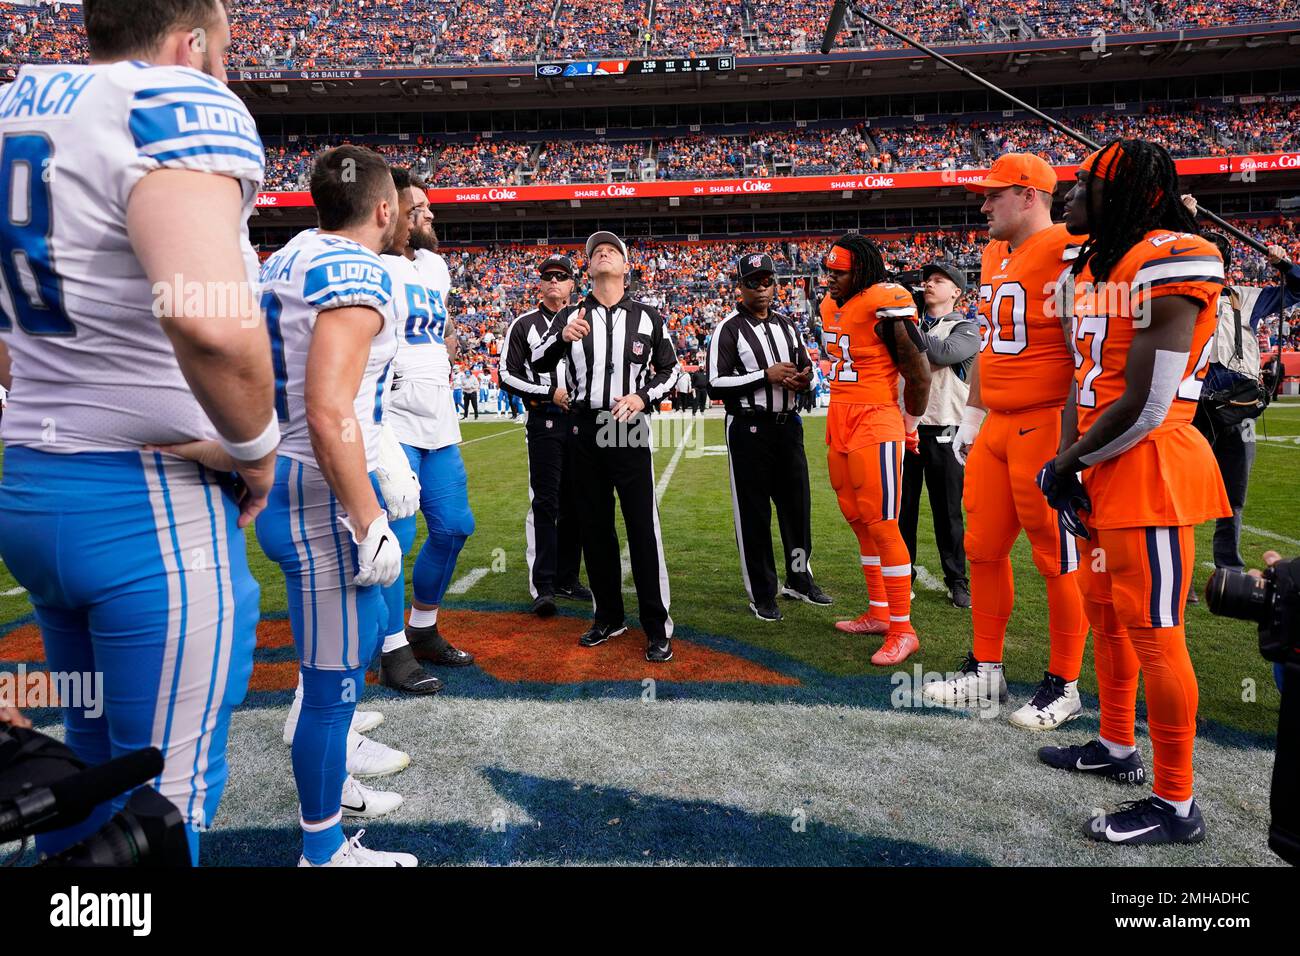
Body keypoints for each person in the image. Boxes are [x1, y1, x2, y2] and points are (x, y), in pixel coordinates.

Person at [0, 0, 274, 865]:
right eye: (224, 52)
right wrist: (257, 451)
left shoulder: (19, 102)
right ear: (190, 44)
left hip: (32, 487)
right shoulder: (171, 99)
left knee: (79, 777)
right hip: (144, 506)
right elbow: (211, 325)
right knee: (160, 813)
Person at [1038, 138, 1230, 845]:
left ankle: (1177, 806)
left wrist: (1069, 464)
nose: (1069, 198)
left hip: (1147, 466)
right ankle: (1117, 745)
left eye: (1083, 185)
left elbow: (1148, 403)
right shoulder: (1098, 267)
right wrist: (1069, 457)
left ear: (1120, 193)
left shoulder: (1171, 257)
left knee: (1154, 631)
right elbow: (1080, 379)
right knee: (1106, 613)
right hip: (1096, 465)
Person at [253, 146, 417, 866]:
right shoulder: (359, 270)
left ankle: (335, 791)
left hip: (289, 477)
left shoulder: (289, 255)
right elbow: (328, 408)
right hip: (320, 487)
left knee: (341, 661)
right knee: (330, 685)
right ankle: (322, 848)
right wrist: (368, 514)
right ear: (383, 210)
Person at [921, 153, 1092, 731]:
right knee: (981, 546)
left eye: (994, 194)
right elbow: (992, 347)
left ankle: (1064, 683)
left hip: (1046, 423)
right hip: (995, 423)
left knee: (1057, 558)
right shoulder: (996, 252)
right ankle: (985, 668)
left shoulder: (1070, 247)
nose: (984, 203)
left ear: (1028, 195)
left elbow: (1080, 352)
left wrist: (1071, 443)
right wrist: (973, 414)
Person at [531, 231, 680, 662]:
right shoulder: (572, 314)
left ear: (626, 268)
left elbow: (670, 372)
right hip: (583, 426)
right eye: (596, 251)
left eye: (612, 250)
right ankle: (609, 616)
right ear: (589, 268)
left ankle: (657, 624)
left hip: (627, 425)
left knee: (640, 527)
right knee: (594, 527)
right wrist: (562, 338)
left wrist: (642, 397)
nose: (603, 253)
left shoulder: (649, 317)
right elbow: (538, 360)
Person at [375, 167, 476, 694]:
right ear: (389, 212)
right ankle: (391, 650)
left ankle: (422, 628)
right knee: (398, 536)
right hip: (392, 417)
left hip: (439, 416)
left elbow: (441, 325)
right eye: (418, 210)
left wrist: (446, 345)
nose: (430, 215)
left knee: (455, 526)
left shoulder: (436, 266)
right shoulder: (371, 264)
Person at [820, 235, 931, 664]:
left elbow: (918, 372)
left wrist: (909, 424)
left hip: (876, 419)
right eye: (828, 270)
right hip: (840, 418)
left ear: (862, 271)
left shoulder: (887, 300)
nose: (830, 279)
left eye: (839, 271)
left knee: (884, 522)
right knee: (857, 517)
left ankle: (904, 629)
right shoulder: (831, 305)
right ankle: (880, 612)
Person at [1181, 212, 1300, 594]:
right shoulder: (1177, 296)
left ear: (1226, 266)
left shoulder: (1245, 298)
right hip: (1191, 406)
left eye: (1213, 259)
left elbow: (1297, 288)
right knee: (1179, 493)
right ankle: (1177, 572)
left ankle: (1228, 570)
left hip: (1239, 407)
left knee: (1234, 494)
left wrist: (1285, 264)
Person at [708, 252, 831, 622]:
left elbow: (805, 365)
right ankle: (762, 592)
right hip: (749, 428)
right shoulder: (728, 329)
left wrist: (804, 378)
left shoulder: (788, 326)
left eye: (767, 281)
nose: (761, 289)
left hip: (788, 425)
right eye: (753, 282)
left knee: (797, 508)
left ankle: (798, 577)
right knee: (754, 513)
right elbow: (715, 381)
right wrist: (766, 375)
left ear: (775, 284)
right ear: (740, 287)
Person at [499, 253, 592, 616]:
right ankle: (544, 584)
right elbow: (505, 375)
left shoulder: (589, 319)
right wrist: (546, 393)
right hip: (546, 419)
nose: (554, 281)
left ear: (572, 284)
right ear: (540, 283)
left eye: (561, 276)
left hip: (581, 421)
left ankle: (569, 577)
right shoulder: (523, 325)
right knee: (547, 502)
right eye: (548, 276)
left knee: (578, 502)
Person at [899, 260, 979, 609]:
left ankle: (956, 580)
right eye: (925, 281)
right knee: (903, 511)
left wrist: (903, 322)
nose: (928, 285)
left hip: (945, 432)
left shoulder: (966, 327)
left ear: (956, 292)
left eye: (937, 280)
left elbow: (942, 353)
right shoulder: (912, 323)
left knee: (948, 512)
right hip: (906, 430)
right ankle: (903, 576)